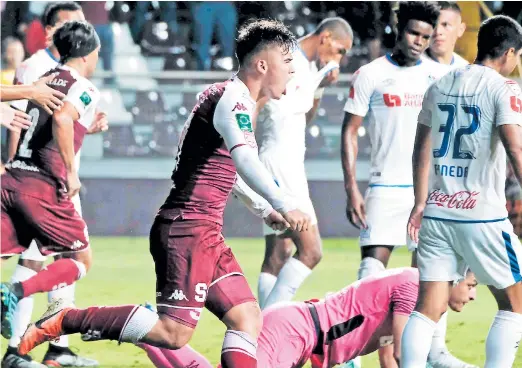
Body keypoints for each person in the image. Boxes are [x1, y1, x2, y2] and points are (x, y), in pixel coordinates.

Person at [18, 19, 311, 368]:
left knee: (246, 318)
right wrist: (285, 203)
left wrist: (265, 211)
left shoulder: (227, 96)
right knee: (173, 334)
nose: (292, 72)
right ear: (263, 64)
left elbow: (226, 172)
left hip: (202, 231)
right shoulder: (234, 100)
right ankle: (67, 318)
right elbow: (246, 159)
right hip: (187, 229)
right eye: (288, 63)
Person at [401, 15, 522, 368]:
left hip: (438, 212)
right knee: (514, 304)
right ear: (510, 52)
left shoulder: (439, 85)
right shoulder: (504, 88)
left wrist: (420, 200)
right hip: (482, 214)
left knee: (427, 309)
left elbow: (420, 146)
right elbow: (515, 149)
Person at [3, 3, 107, 368]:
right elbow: (58, 118)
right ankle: (16, 330)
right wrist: (70, 171)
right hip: (48, 184)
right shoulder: (76, 83)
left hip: (20, 176)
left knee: (46, 259)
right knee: (70, 260)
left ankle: (45, 349)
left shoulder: (44, 77)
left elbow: (31, 118)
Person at [135, 268, 478, 368]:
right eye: (471, 285)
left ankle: (143, 328)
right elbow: (406, 356)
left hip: (302, 339)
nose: (473, 295)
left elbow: (390, 357)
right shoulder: (414, 285)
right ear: (455, 277)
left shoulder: (413, 289)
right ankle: (143, 326)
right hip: (294, 332)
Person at [256, 17, 353, 311]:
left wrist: (320, 88)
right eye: (339, 50)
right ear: (325, 37)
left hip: (287, 163)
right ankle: (269, 327)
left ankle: (261, 338)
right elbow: (259, 99)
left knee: (279, 252)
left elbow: (303, 116)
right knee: (311, 250)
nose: (339, 59)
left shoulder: (309, 68)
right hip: (279, 164)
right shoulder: (286, 58)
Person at [424, 1, 468, 67]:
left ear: (460, 30)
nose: (438, 31)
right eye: (433, 25)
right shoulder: (411, 67)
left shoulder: (465, 69)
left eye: (445, 25)